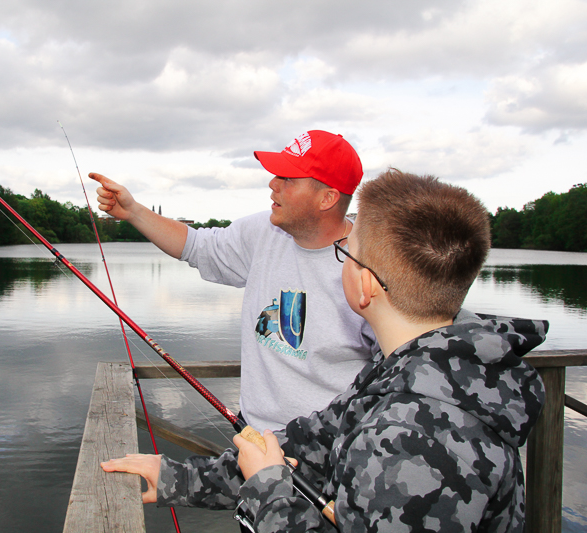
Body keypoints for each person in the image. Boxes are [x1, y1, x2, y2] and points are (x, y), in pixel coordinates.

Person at [101, 169, 547, 532]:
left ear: (364, 284)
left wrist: (269, 487)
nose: (340, 262)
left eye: (347, 254)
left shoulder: (411, 443)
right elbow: (310, 446)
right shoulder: (402, 377)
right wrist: (178, 479)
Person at [89, 130, 378, 432]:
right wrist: (134, 212)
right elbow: (197, 246)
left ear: (327, 198)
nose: (272, 183)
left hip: (328, 453)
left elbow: (394, 373)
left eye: (288, 178)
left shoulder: (373, 267)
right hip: (252, 435)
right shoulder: (263, 232)